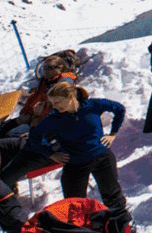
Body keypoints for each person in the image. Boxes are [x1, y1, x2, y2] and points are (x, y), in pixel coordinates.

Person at [26, 82, 128, 217]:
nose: (54, 106)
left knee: (112, 194)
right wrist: (51, 154)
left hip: (102, 157)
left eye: (57, 102)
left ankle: (122, 223)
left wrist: (113, 134)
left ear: (71, 97)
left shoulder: (93, 106)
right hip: (75, 163)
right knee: (74, 204)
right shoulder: (54, 119)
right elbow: (34, 138)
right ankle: (83, 231)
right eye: (52, 103)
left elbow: (119, 109)